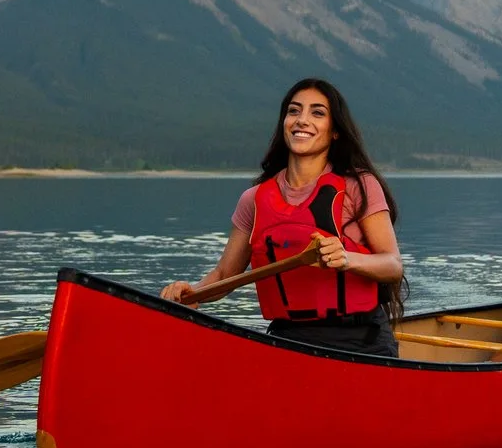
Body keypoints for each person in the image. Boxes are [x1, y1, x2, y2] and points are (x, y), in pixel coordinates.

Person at [160, 78, 407, 357]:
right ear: (284, 123)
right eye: (294, 111)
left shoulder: (359, 186)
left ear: (335, 130)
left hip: (359, 341)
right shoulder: (253, 200)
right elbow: (224, 274)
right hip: (288, 340)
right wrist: (191, 293)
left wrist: (347, 259)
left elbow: (392, 265)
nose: (302, 120)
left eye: (317, 112)